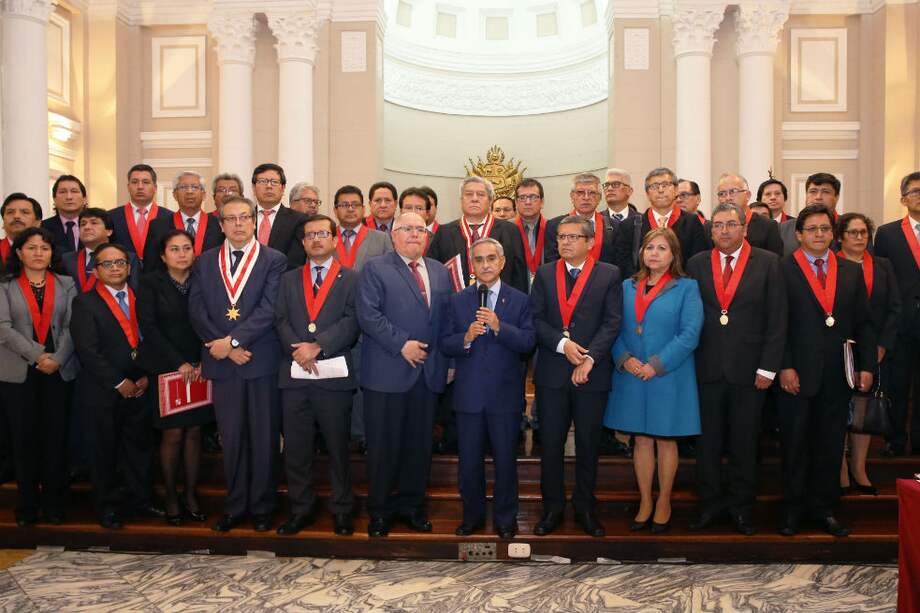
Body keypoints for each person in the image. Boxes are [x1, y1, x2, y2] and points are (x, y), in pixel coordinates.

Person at [686, 203, 787, 535]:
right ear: (711, 230)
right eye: (718, 225)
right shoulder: (697, 263)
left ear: (745, 228)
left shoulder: (769, 263)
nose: (724, 231)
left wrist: (769, 368)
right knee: (708, 445)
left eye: (731, 225)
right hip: (706, 370)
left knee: (745, 444)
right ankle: (709, 505)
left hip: (750, 371)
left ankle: (743, 508)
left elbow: (777, 320)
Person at [776, 204, 876, 537]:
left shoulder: (849, 270)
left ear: (833, 234)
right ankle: (792, 510)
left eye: (825, 229)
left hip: (837, 373)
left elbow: (864, 324)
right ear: (799, 234)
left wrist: (866, 366)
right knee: (795, 444)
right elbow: (778, 326)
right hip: (797, 374)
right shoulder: (783, 269)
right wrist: (785, 366)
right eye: (812, 229)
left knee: (830, 445)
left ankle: (823, 509)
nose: (819, 234)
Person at [189, 196, 287, 532]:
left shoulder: (274, 259)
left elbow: (271, 308)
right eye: (230, 219)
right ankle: (235, 505)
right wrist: (226, 348)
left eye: (244, 217)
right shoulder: (204, 261)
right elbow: (197, 310)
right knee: (231, 438)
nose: (238, 224)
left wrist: (233, 341)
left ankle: (262, 507)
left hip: (260, 360)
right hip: (223, 364)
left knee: (263, 436)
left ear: (254, 220)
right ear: (220, 224)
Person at [356, 212, 451, 537]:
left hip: (427, 375)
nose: (414, 234)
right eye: (407, 229)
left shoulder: (439, 271)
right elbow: (368, 315)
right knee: (383, 448)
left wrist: (448, 362)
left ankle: (412, 508)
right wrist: (402, 345)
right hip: (387, 372)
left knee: (418, 448)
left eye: (420, 229)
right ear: (393, 235)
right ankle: (380, 512)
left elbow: (445, 320)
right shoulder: (376, 267)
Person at [605, 228, 703, 534]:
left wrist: (657, 365)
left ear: (674, 255)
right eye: (649, 248)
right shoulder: (626, 286)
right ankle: (645, 500)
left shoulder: (686, 287)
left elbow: (690, 334)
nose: (654, 254)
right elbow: (613, 327)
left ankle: (664, 501)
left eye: (661, 248)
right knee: (642, 439)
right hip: (633, 374)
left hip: (668, 375)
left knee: (665, 438)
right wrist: (625, 359)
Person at [530, 215, 622, 537]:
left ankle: (585, 507)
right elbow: (536, 320)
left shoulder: (608, 274)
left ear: (590, 241)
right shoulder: (544, 274)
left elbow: (612, 322)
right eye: (561, 237)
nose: (565, 242)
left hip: (592, 375)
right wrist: (562, 344)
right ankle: (552, 508)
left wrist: (590, 359)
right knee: (551, 445)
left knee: (587, 444)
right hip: (552, 374)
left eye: (572, 237)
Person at [442, 238, 535, 538]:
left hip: (505, 397)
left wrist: (499, 327)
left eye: (491, 258)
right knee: (469, 463)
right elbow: (445, 343)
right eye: (479, 259)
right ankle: (472, 516)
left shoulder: (519, 299)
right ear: (472, 263)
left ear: (502, 262)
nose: (485, 265)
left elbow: (528, 342)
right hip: (469, 396)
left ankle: (506, 518)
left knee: (506, 461)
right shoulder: (457, 300)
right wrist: (465, 337)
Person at [275, 214, 360, 536]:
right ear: (303, 242)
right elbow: (280, 319)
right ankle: (301, 509)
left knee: (338, 447)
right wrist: (299, 351)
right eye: (310, 235)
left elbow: (353, 320)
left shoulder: (351, 278)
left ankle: (341, 508)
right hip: (295, 376)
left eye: (322, 233)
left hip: (334, 376)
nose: (316, 239)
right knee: (296, 449)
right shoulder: (288, 279)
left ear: (335, 239)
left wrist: (318, 346)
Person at [71, 243, 163, 529]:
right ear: (96, 271)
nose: (114, 269)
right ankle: (107, 506)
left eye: (120, 263)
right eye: (107, 264)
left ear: (129, 266)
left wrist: (147, 374)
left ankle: (141, 499)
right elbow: (88, 350)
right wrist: (118, 381)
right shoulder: (85, 302)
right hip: (104, 391)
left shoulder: (140, 297)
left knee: (140, 448)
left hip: (141, 387)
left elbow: (151, 339)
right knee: (104, 452)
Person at [135, 230, 214, 526]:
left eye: (187, 248)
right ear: (162, 255)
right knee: (173, 434)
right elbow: (149, 328)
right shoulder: (150, 283)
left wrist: (202, 360)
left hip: (201, 366)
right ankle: (170, 497)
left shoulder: (203, 280)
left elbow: (212, 321)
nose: (182, 254)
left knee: (194, 432)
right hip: (166, 367)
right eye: (174, 249)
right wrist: (178, 363)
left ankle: (191, 495)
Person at [0, 228, 77, 526]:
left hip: (59, 372)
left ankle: (55, 504)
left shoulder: (67, 284)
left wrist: (57, 359)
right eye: (31, 248)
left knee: (56, 440)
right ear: (18, 253)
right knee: (23, 441)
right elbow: (3, 328)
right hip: (19, 374)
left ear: (51, 253)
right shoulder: (5, 285)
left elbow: (73, 326)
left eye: (44, 248)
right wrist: (37, 356)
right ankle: (27, 506)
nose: (37, 253)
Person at [835, 213, 900, 493]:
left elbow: (895, 307)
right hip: (840, 348)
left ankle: (859, 468)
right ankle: (839, 471)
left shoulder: (883, 266)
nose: (860, 238)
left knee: (864, 409)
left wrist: (882, 345)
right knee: (838, 411)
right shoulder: (831, 265)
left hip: (875, 349)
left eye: (864, 232)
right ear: (840, 236)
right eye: (853, 233)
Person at [873, 171, 920, 457]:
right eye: (914, 191)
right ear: (903, 199)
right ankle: (895, 439)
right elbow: (882, 281)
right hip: (900, 321)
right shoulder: (888, 233)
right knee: (898, 384)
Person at [428, 177, 528, 293]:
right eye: (469, 194)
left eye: (480, 194)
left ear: (490, 200)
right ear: (461, 200)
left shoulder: (510, 231)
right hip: (456, 306)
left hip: (502, 305)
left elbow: (519, 276)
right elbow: (434, 274)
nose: (474, 199)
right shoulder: (444, 232)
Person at [612, 167, 708, 278]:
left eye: (665, 185)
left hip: (680, 289)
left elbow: (697, 262)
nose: (660, 190)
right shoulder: (630, 226)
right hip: (642, 290)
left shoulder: (692, 223)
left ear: (676, 190)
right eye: (654, 186)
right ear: (647, 193)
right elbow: (623, 265)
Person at [143, 171, 224, 270]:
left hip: (209, 284)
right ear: (175, 195)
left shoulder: (219, 224)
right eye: (183, 187)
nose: (189, 191)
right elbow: (150, 267)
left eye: (195, 187)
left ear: (204, 195)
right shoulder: (158, 226)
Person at [545, 173, 620, 267]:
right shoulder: (554, 225)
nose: (586, 197)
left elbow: (617, 264)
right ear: (572, 197)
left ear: (599, 198)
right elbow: (551, 264)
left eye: (592, 193)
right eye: (580, 192)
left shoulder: (614, 226)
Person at [61, 208, 141, 292]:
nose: (87, 227)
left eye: (94, 223)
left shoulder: (128, 258)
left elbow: (134, 291)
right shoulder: (67, 259)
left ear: (109, 231)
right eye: (83, 224)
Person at [110, 164, 172, 266]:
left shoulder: (169, 217)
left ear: (155, 187)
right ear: (128, 187)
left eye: (145, 182)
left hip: (158, 277)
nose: (140, 187)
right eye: (134, 182)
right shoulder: (112, 217)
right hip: (122, 276)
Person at [251, 162, 307, 268]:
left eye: (274, 182)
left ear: (283, 188)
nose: (268, 186)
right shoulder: (243, 218)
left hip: (282, 281)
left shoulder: (298, 220)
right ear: (254, 188)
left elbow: (295, 261)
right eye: (262, 181)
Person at [714, 173, 784, 256]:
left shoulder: (768, 226)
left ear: (748, 195)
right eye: (722, 194)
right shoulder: (711, 227)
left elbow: (774, 263)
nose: (728, 198)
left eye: (733, 192)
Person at [331, 185, 392, 270]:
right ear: (335, 210)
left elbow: (390, 270)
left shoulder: (382, 239)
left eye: (355, 205)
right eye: (344, 205)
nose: (350, 209)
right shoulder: (327, 237)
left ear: (363, 210)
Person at [514, 178, 548, 289]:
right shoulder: (507, 230)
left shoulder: (552, 228)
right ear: (516, 203)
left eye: (533, 197)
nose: (528, 202)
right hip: (516, 291)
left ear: (542, 202)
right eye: (522, 198)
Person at [43, 175, 87, 253]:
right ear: (54, 199)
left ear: (84, 199)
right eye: (62, 192)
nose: (69, 197)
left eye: (74, 191)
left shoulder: (98, 226)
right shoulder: (43, 227)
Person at [1, 193, 43, 269]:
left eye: (25, 212)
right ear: (3, 222)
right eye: (10, 212)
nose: (16, 216)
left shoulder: (51, 252)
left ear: (38, 222)